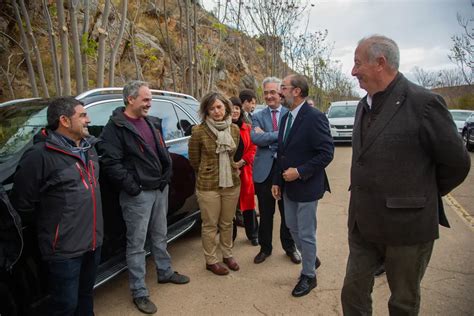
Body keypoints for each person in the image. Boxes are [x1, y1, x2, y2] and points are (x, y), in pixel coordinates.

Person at [340, 35, 471, 315]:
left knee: (402, 302)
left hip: (407, 228)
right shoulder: (364, 104)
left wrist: (420, 195)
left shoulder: (424, 103)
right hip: (363, 223)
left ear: (380, 63)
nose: (353, 71)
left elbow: (457, 163)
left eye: (357, 63)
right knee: (352, 294)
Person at [99, 80, 189, 314]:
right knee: (137, 245)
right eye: (146, 99)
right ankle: (139, 291)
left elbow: (161, 151)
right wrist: (134, 187)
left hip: (160, 188)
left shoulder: (150, 122)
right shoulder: (115, 128)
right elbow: (111, 163)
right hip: (138, 195)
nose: (150, 103)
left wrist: (166, 175)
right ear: (131, 99)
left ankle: (165, 272)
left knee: (160, 234)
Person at [11, 97, 103, 315]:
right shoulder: (39, 156)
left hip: (93, 243)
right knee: (65, 305)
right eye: (82, 115)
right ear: (64, 120)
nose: (88, 119)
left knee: (86, 297)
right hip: (63, 250)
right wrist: (55, 229)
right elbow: (22, 205)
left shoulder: (89, 149)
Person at [272, 74, 334, 297]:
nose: (280, 92)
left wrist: (299, 172)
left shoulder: (314, 117)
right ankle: (311, 257)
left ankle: (309, 275)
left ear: (296, 91)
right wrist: (277, 181)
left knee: (306, 234)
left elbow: (327, 153)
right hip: (287, 187)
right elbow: (282, 153)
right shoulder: (286, 117)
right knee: (292, 226)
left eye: (283, 88)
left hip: (307, 185)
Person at [188, 92, 241, 276]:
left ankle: (227, 254)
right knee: (210, 225)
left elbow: (233, 154)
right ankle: (211, 260)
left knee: (227, 222)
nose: (216, 111)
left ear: (226, 107)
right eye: (212, 108)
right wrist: (208, 171)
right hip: (208, 185)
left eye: (219, 107)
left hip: (232, 183)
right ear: (206, 111)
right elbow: (194, 161)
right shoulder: (198, 131)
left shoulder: (234, 129)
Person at [251, 77, 300, 265]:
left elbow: (292, 139)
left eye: (273, 92)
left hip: (286, 168)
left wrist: (268, 136)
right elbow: (256, 139)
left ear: (281, 92)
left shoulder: (291, 113)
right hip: (265, 170)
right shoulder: (257, 115)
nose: (269, 96)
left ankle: (290, 248)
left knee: (288, 212)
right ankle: (265, 248)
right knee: (265, 212)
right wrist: (280, 135)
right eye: (266, 93)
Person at [230, 96, 259, 246]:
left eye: (236, 107)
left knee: (248, 204)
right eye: (231, 108)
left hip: (245, 170)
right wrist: (232, 165)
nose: (234, 111)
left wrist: (243, 161)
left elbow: (254, 148)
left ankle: (253, 234)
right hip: (228, 172)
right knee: (229, 208)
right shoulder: (222, 128)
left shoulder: (247, 128)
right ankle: (230, 238)